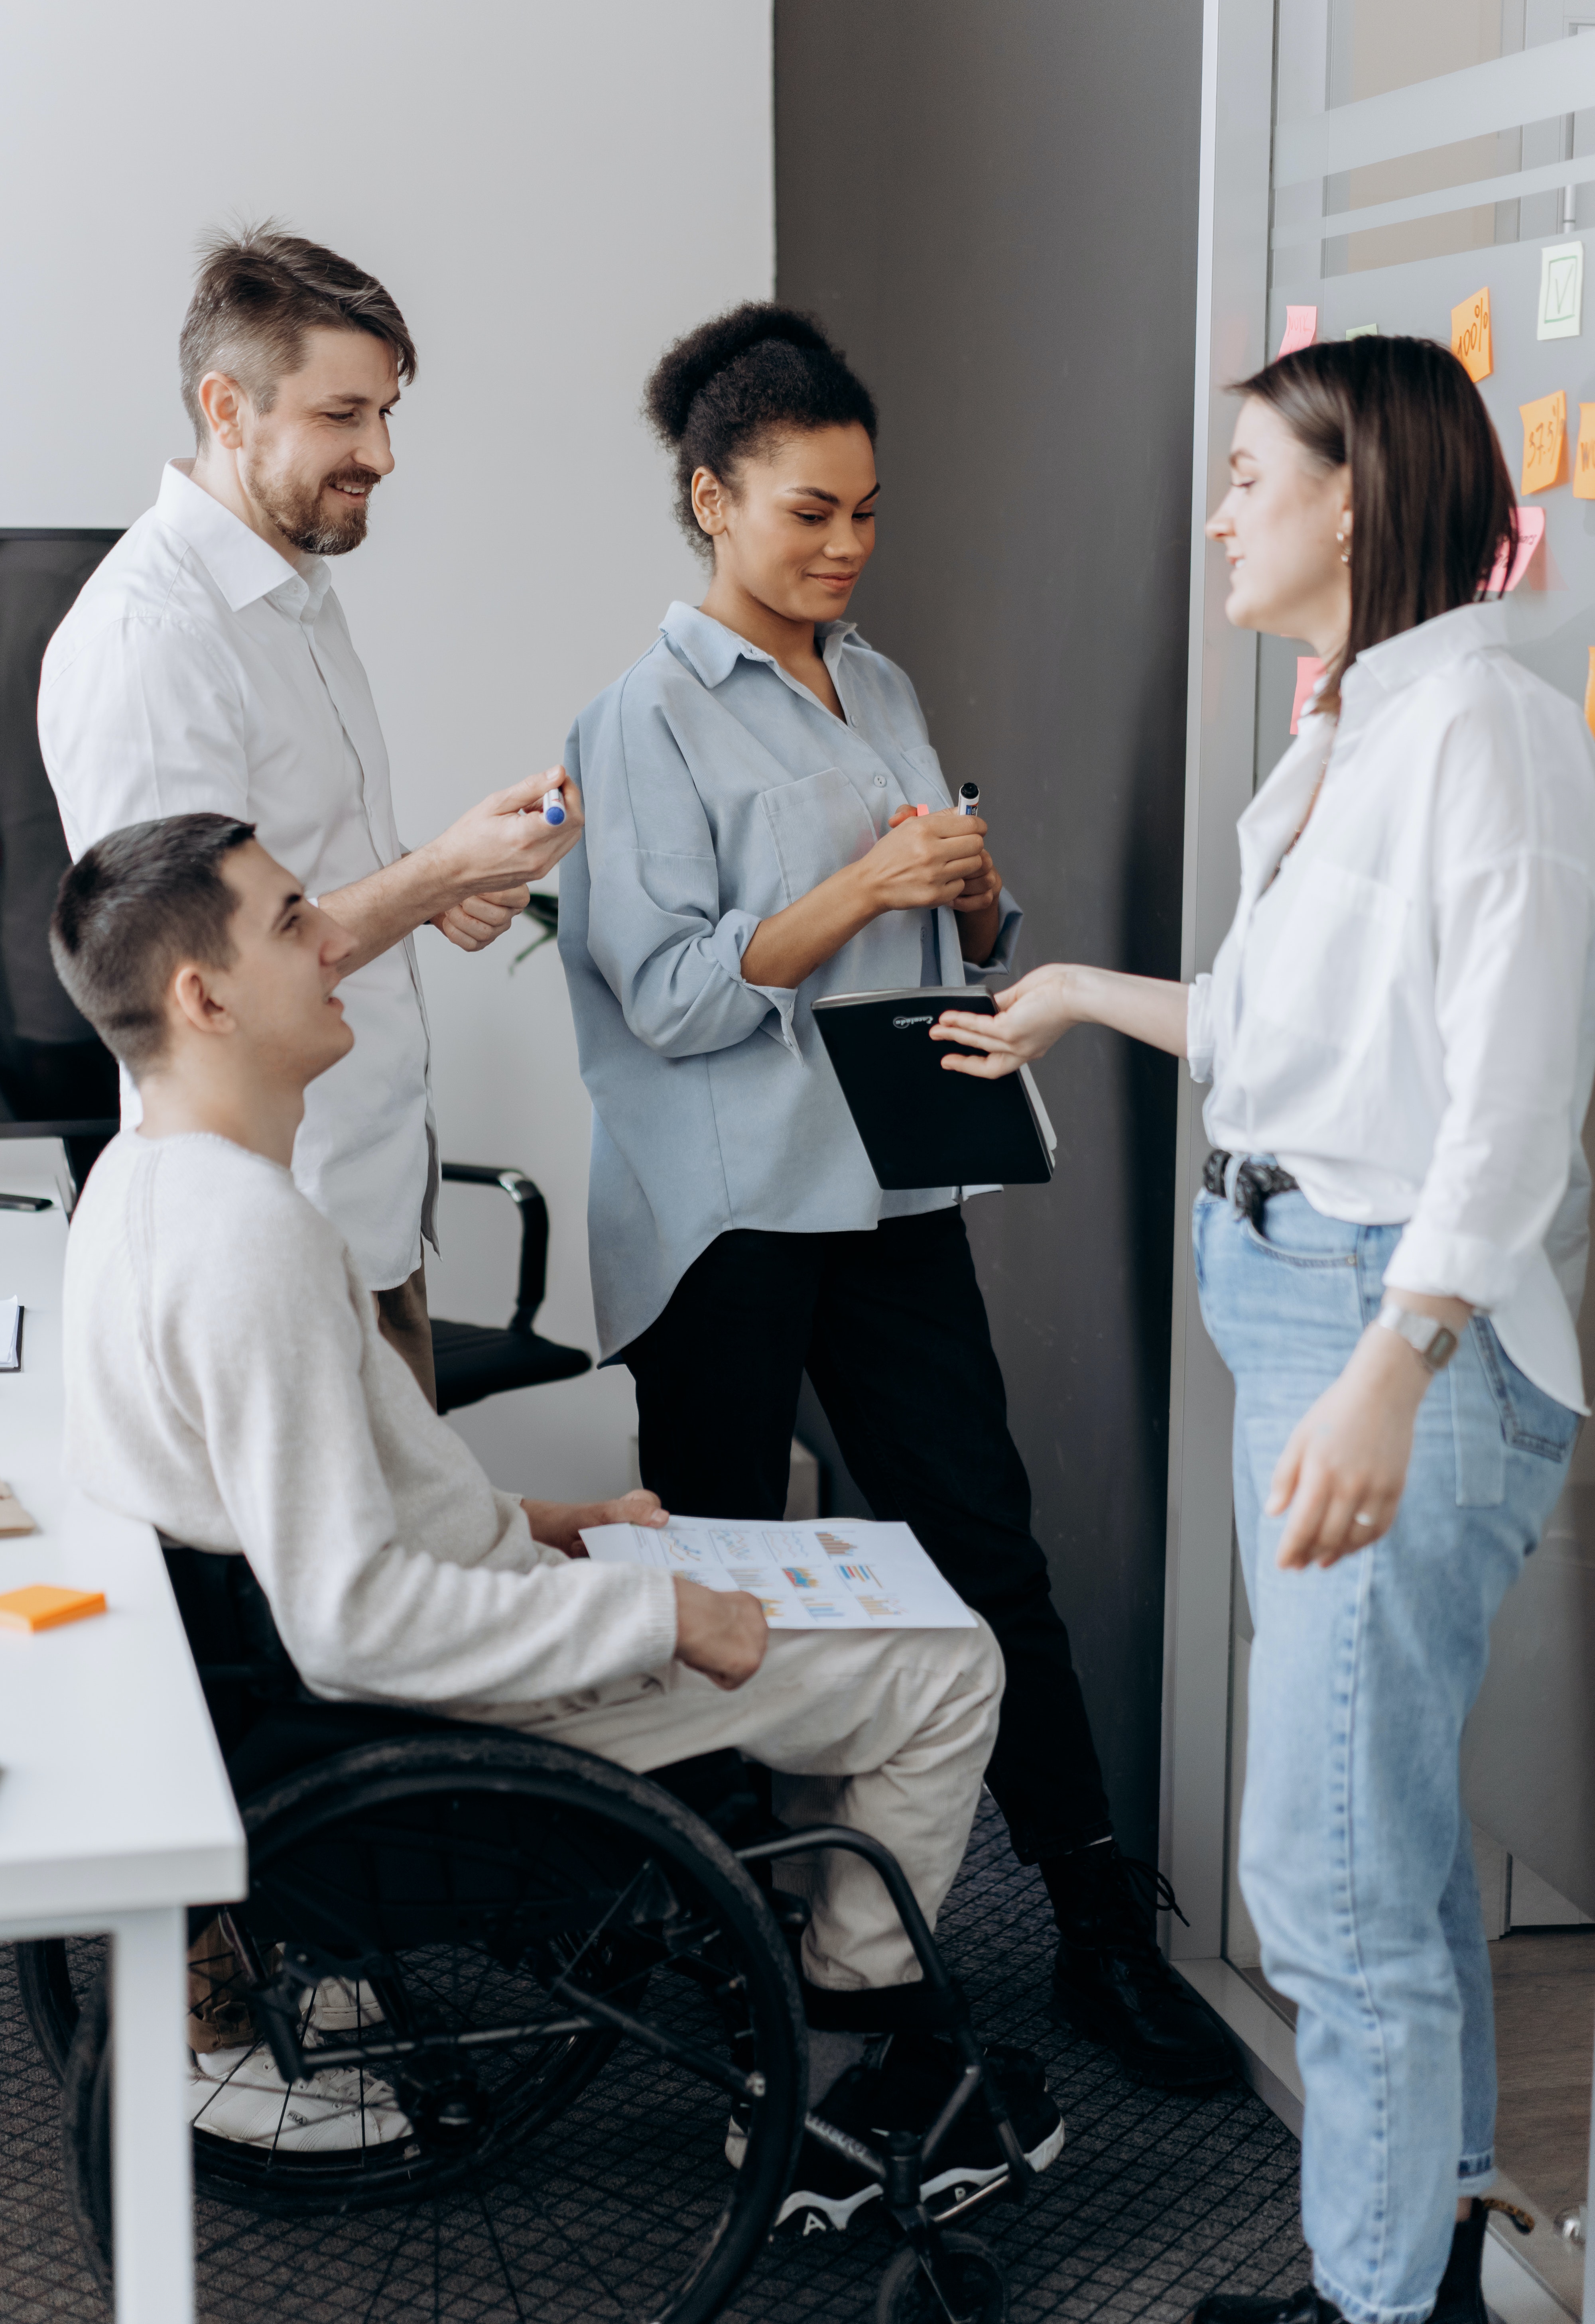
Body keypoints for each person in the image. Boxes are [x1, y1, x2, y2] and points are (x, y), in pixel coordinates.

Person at [49, 810, 1062, 2226]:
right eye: (292, 921)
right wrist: (659, 1609)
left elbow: (289, 1498)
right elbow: (353, 1621)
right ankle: (832, 2075)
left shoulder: (135, 1187)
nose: (339, 935)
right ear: (201, 997)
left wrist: (539, 1519)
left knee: (808, 1595)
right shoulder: (251, 1239)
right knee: (948, 1664)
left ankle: (788, 1941)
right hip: (415, 1718)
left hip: (317, 1678)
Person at [931, 334, 1595, 2324]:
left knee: (1325, 1877)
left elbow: (1512, 1095)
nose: (1216, 511)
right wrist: (1074, 994)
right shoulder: (1352, 736)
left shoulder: (1483, 728)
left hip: (1387, 1326)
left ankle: (1374, 2305)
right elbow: (1298, 1042)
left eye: (1247, 474)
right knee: (1372, 1841)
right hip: (1299, 1291)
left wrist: (1398, 1357)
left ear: (1355, 498)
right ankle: (1434, 2266)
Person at [557, 301, 1233, 2091]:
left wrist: (973, 904)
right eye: (808, 513)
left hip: (891, 1193)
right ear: (712, 500)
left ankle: (1095, 1919)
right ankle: (718, 1928)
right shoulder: (638, 724)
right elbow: (679, 996)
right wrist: (868, 890)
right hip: (722, 1214)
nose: (846, 547)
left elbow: (940, 938)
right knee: (712, 1569)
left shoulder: (884, 685)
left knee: (984, 1543)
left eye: (866, 513)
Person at [38, 224, 581, 1406]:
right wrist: (433, 875)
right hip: (278, 1236)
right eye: (344, 416)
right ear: (227, 409)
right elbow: (202, 974)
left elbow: (295, 880)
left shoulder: (296, 599)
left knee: (420, 1571)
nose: (381, 452)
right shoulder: (151, 641)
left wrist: (439, 891)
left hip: (369, 1217)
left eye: (387, 416)